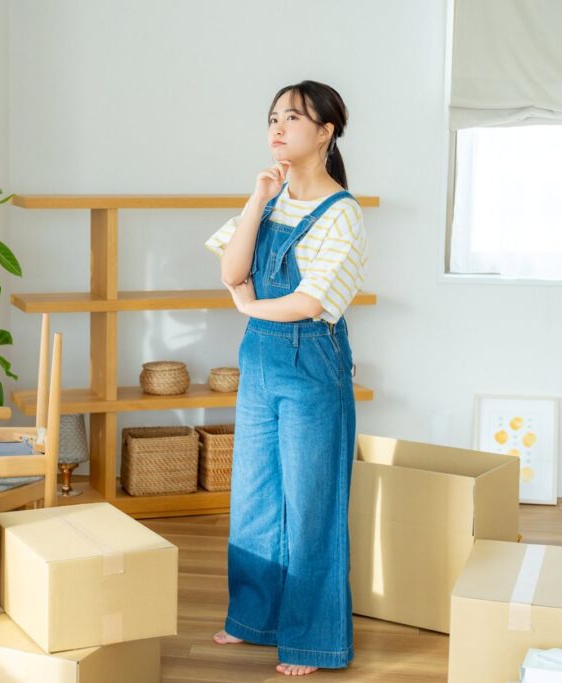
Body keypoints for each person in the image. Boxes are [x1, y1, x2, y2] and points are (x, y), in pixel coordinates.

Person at [204, 80, 368, 677]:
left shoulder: (343, 213)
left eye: (293, 118)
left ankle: (313, 641)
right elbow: (232, 267)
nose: (277, 127)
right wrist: (256, 197)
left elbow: (307, 302)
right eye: (273, 117)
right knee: (253, 494)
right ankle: (253, 618)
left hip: (309, 363)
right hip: (260, 362)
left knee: (311, 505)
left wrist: (246, 308)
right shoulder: (271, 199)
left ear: (325, 132)